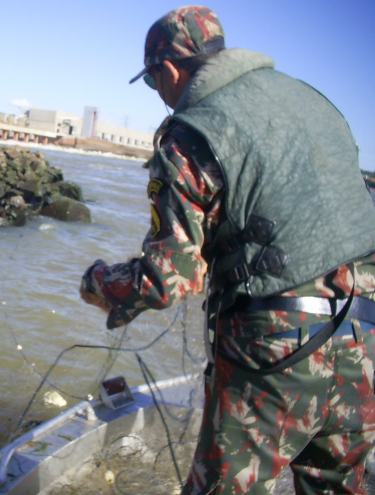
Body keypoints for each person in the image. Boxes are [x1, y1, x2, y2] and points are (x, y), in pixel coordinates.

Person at [79, 5, 375, 494]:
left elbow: (168, 278)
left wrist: (101, 285)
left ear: (170, 68)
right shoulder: (313, 100)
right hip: (364, 330)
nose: (162, 98)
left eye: (154, 84)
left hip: (277, 352)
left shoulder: (191, 133)